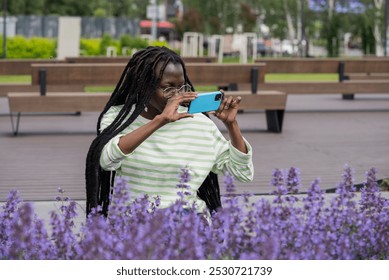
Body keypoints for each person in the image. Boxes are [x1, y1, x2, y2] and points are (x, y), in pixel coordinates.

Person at [85, 46, 254, 217]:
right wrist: (160, 121)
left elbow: (242, 173)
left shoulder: (199, 123)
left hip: (188, 218)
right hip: (136, 218)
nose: (177, 95)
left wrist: (232, 125)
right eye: (168, 88)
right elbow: (106, 160)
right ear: (143, 86)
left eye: (181, 87)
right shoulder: (119, 118)